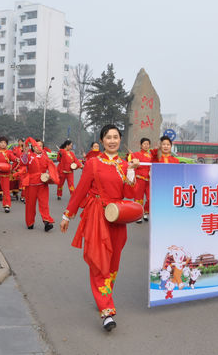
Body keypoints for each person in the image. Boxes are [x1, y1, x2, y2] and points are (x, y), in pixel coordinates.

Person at [60, 124, 139, 331]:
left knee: (113, 262)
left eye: (116, 137)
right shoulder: (93, 163)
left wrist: (131, 172)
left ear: (120, 140)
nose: (112, 141)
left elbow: (130, 194)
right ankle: (107, 310)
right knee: (98, 261)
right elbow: (80, 191)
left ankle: (103, 297)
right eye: (108, 137)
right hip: (97, 216)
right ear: (102, 141)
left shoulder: (124, 165)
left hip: (117, 217)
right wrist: (67, 214)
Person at [21, 138, 57, 231]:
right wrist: (25, 152)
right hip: (31, 184)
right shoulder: (29, 156)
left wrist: (51, 177)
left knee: (44, 204)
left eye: (40, 146)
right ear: (32, 147)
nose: (38, 148)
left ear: (43, 147)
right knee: (30, 205)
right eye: (36, 146)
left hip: (42, 183)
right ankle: (30, 222)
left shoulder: (45, 157)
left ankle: (46, 222)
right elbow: (23, 162)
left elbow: (51, 168)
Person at [129, 137, 152, 223]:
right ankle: (138, 215)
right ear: (141, 145)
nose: (146, 146)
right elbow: (130, 163)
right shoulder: (136, 154)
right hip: (140, 179)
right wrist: (131, 157)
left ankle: (146, 212)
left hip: (149, 180)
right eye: (144, 144)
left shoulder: (151, 156)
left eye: (148, 144)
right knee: (139, 198)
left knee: (150, 198)